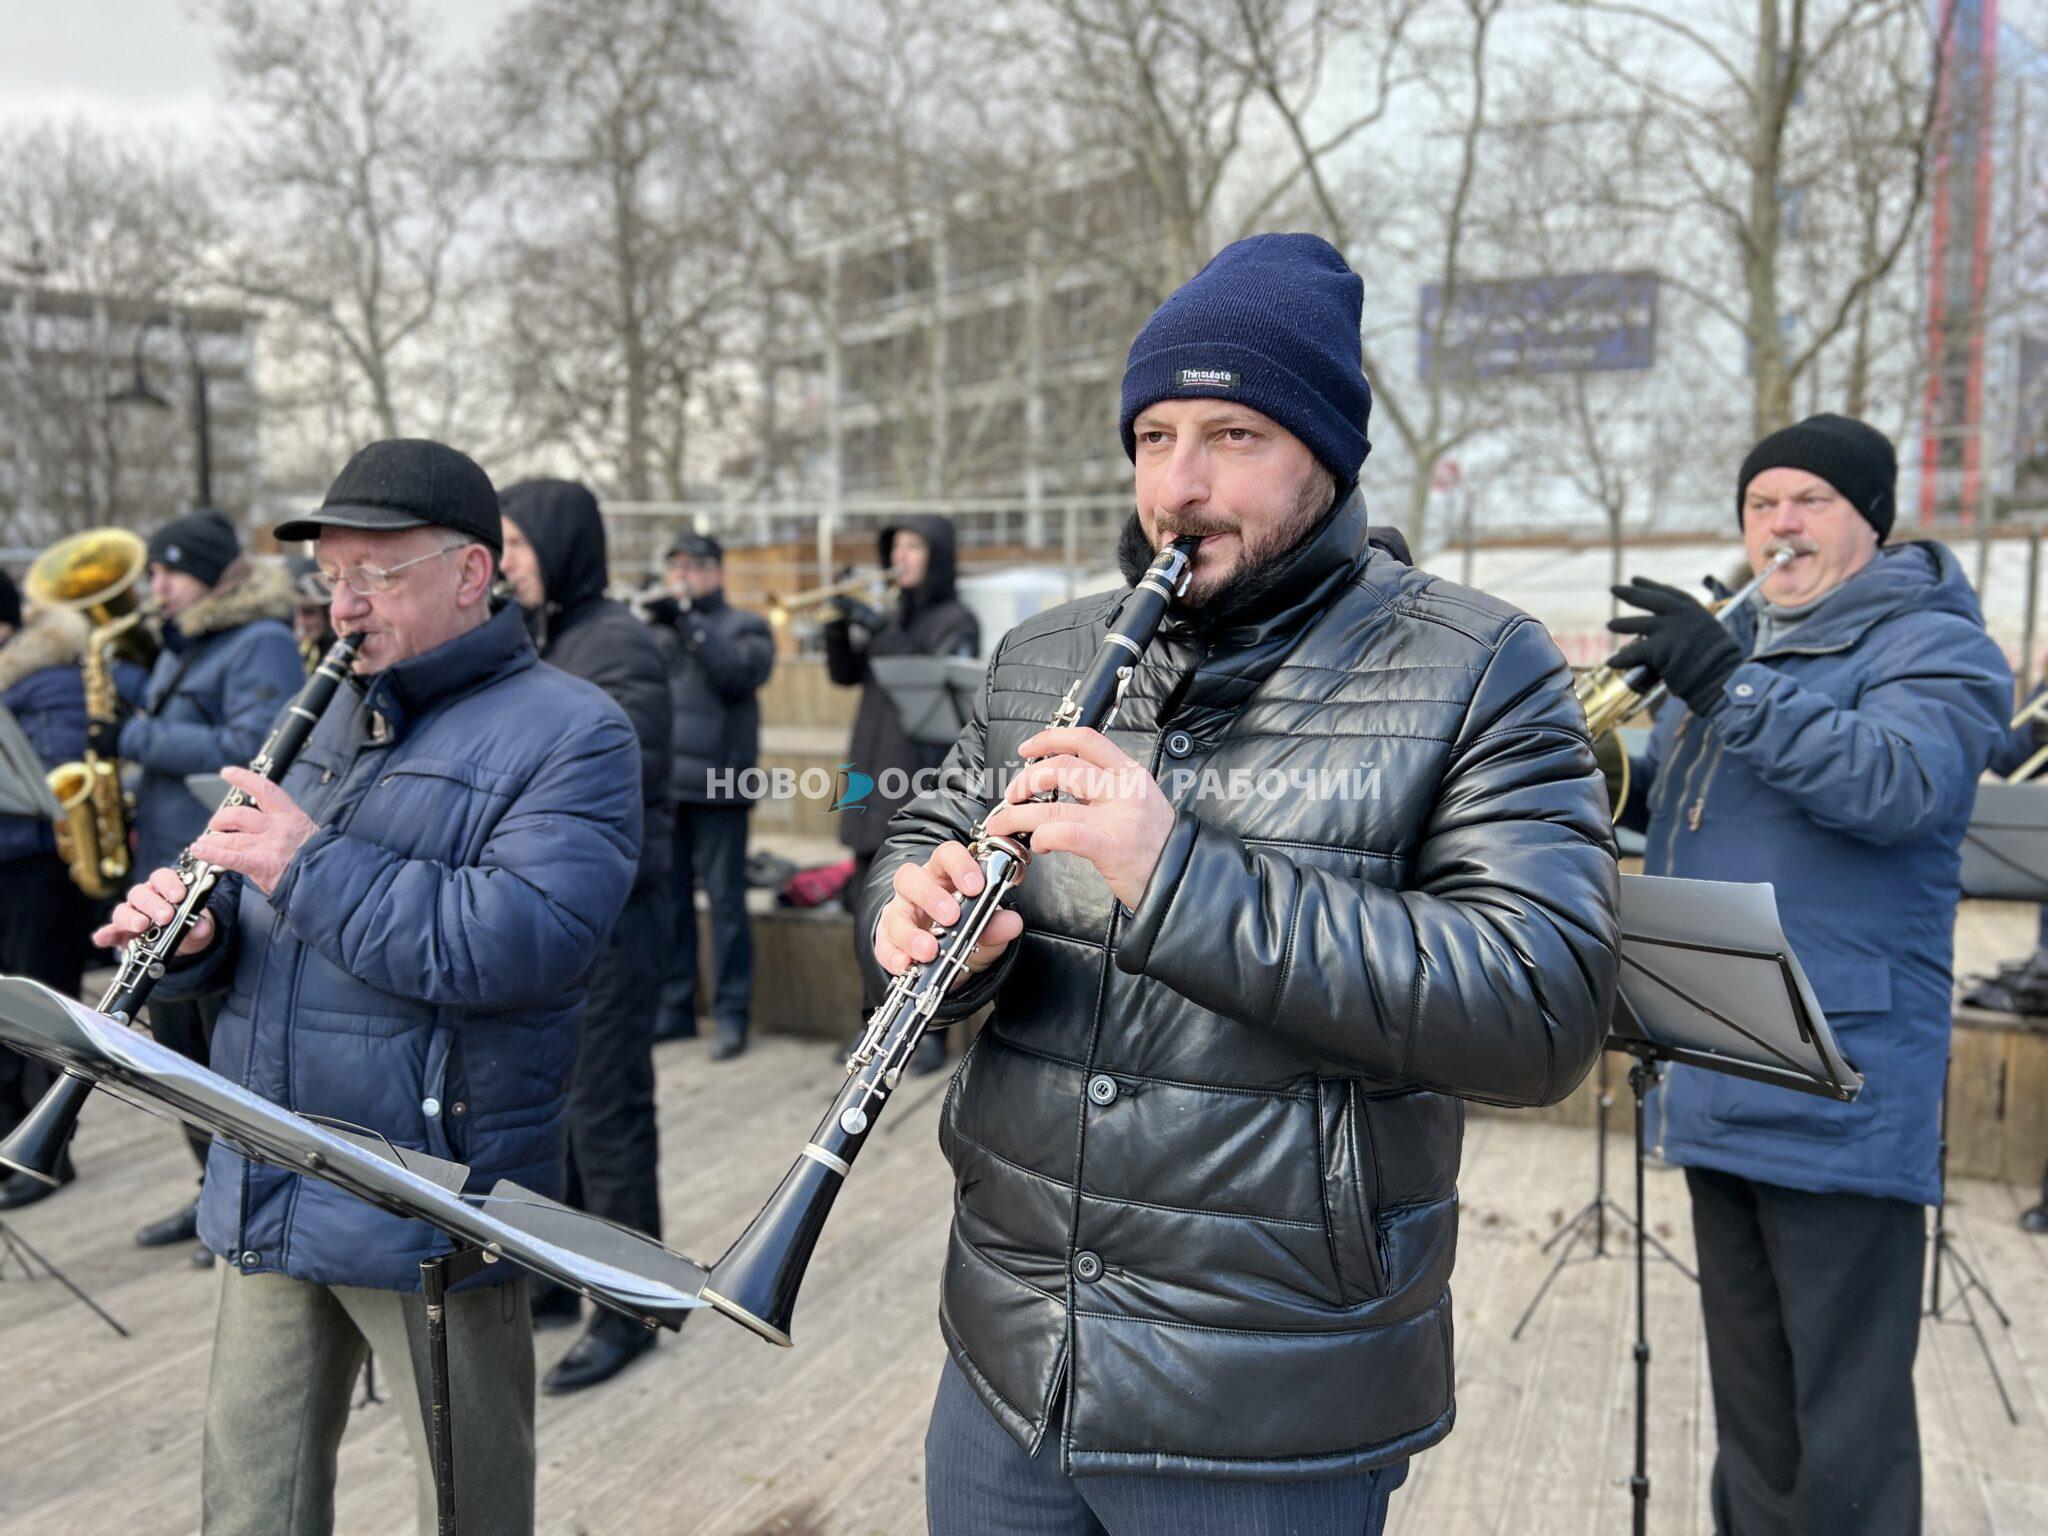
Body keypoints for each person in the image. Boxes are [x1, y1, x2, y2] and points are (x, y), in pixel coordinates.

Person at [859, 233, 1620, 1536]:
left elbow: (1540, 1007)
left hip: (1269, 1391)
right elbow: (936, 817)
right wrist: (913, 907)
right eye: (1153, 436)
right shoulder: (1050, 652)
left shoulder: (1478, 665)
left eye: (1233, 436)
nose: (1180, 484)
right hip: (1008, 1352)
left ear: (1326, 454)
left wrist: (1175, 873)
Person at [97, 439, 641, 1536]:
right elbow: (276, 926)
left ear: (470, 572)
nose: (341, 605)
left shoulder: (576, 732)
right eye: (329, 577)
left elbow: (514, 944)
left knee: (467, 1504)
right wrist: (197, 942)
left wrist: (302, 860)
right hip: (272, 1166)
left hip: (428, 1196)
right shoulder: (325, 709)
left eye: (373, 575)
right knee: (250, 1501)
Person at [1610, 413, 2012, 1534]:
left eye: (1807, 502)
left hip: (1837, 1074)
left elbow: (1898, 786)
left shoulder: (1935, 642)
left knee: (1842, 1430)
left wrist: (1724, 683)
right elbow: (1676, 809)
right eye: (1758, 505)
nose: (1776, 526)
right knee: (1757, 1416)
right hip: (1718, 1065)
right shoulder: (1747, 650)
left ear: (1869, 522)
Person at [499, 477, 675, 1390]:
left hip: (616, 914)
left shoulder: (614, 641)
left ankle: (631, 1300)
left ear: (562, 546)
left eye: (519, 545)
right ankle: (568, 1275)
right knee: (559, 1107)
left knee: (607, 1110)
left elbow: (626, 765)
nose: (505, 563)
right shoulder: (553, 637)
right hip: (561, 913)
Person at [115, 510, 304, 1255]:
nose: (155, 586)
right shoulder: (184, 642)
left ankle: (242, 1190)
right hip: (163, 870)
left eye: (169, 570)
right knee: (173, 1059)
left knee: (217, 1060)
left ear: (212, 572)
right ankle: (209, 1190)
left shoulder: (259, 640)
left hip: (215, 886)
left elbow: (248, 753)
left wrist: (132, 736)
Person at [827, 515, 978, 1074]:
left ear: (936, 554)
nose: (901, 557)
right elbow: (846, 673)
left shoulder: (955, 619)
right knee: (864, 911)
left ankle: (926, 1032)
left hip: (916, 779)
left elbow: (924, 675)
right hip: (868, 773)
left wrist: (879, 626)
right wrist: (838, 626)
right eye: (896, 547)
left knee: (921, 913)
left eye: (913, 547)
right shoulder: (895, 617)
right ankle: (872, 1021)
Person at [645, 532, 774, 1057]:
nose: (683, 574)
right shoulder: (664, 631)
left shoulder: (744, 626)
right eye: (676, 565)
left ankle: (731, 1016)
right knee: (671, 904)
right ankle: (676, 1010)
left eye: (695, 566)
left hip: (723, 787)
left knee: (725, 904)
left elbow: (737, 674)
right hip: (668, 784)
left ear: (718, 571)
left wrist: (688, 624)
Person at [0, 569, 99, 1208]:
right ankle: (8, 1139)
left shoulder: (51, 678)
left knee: (42, 1014)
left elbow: (54, 779)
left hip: (39, 872)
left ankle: (48, 1153)